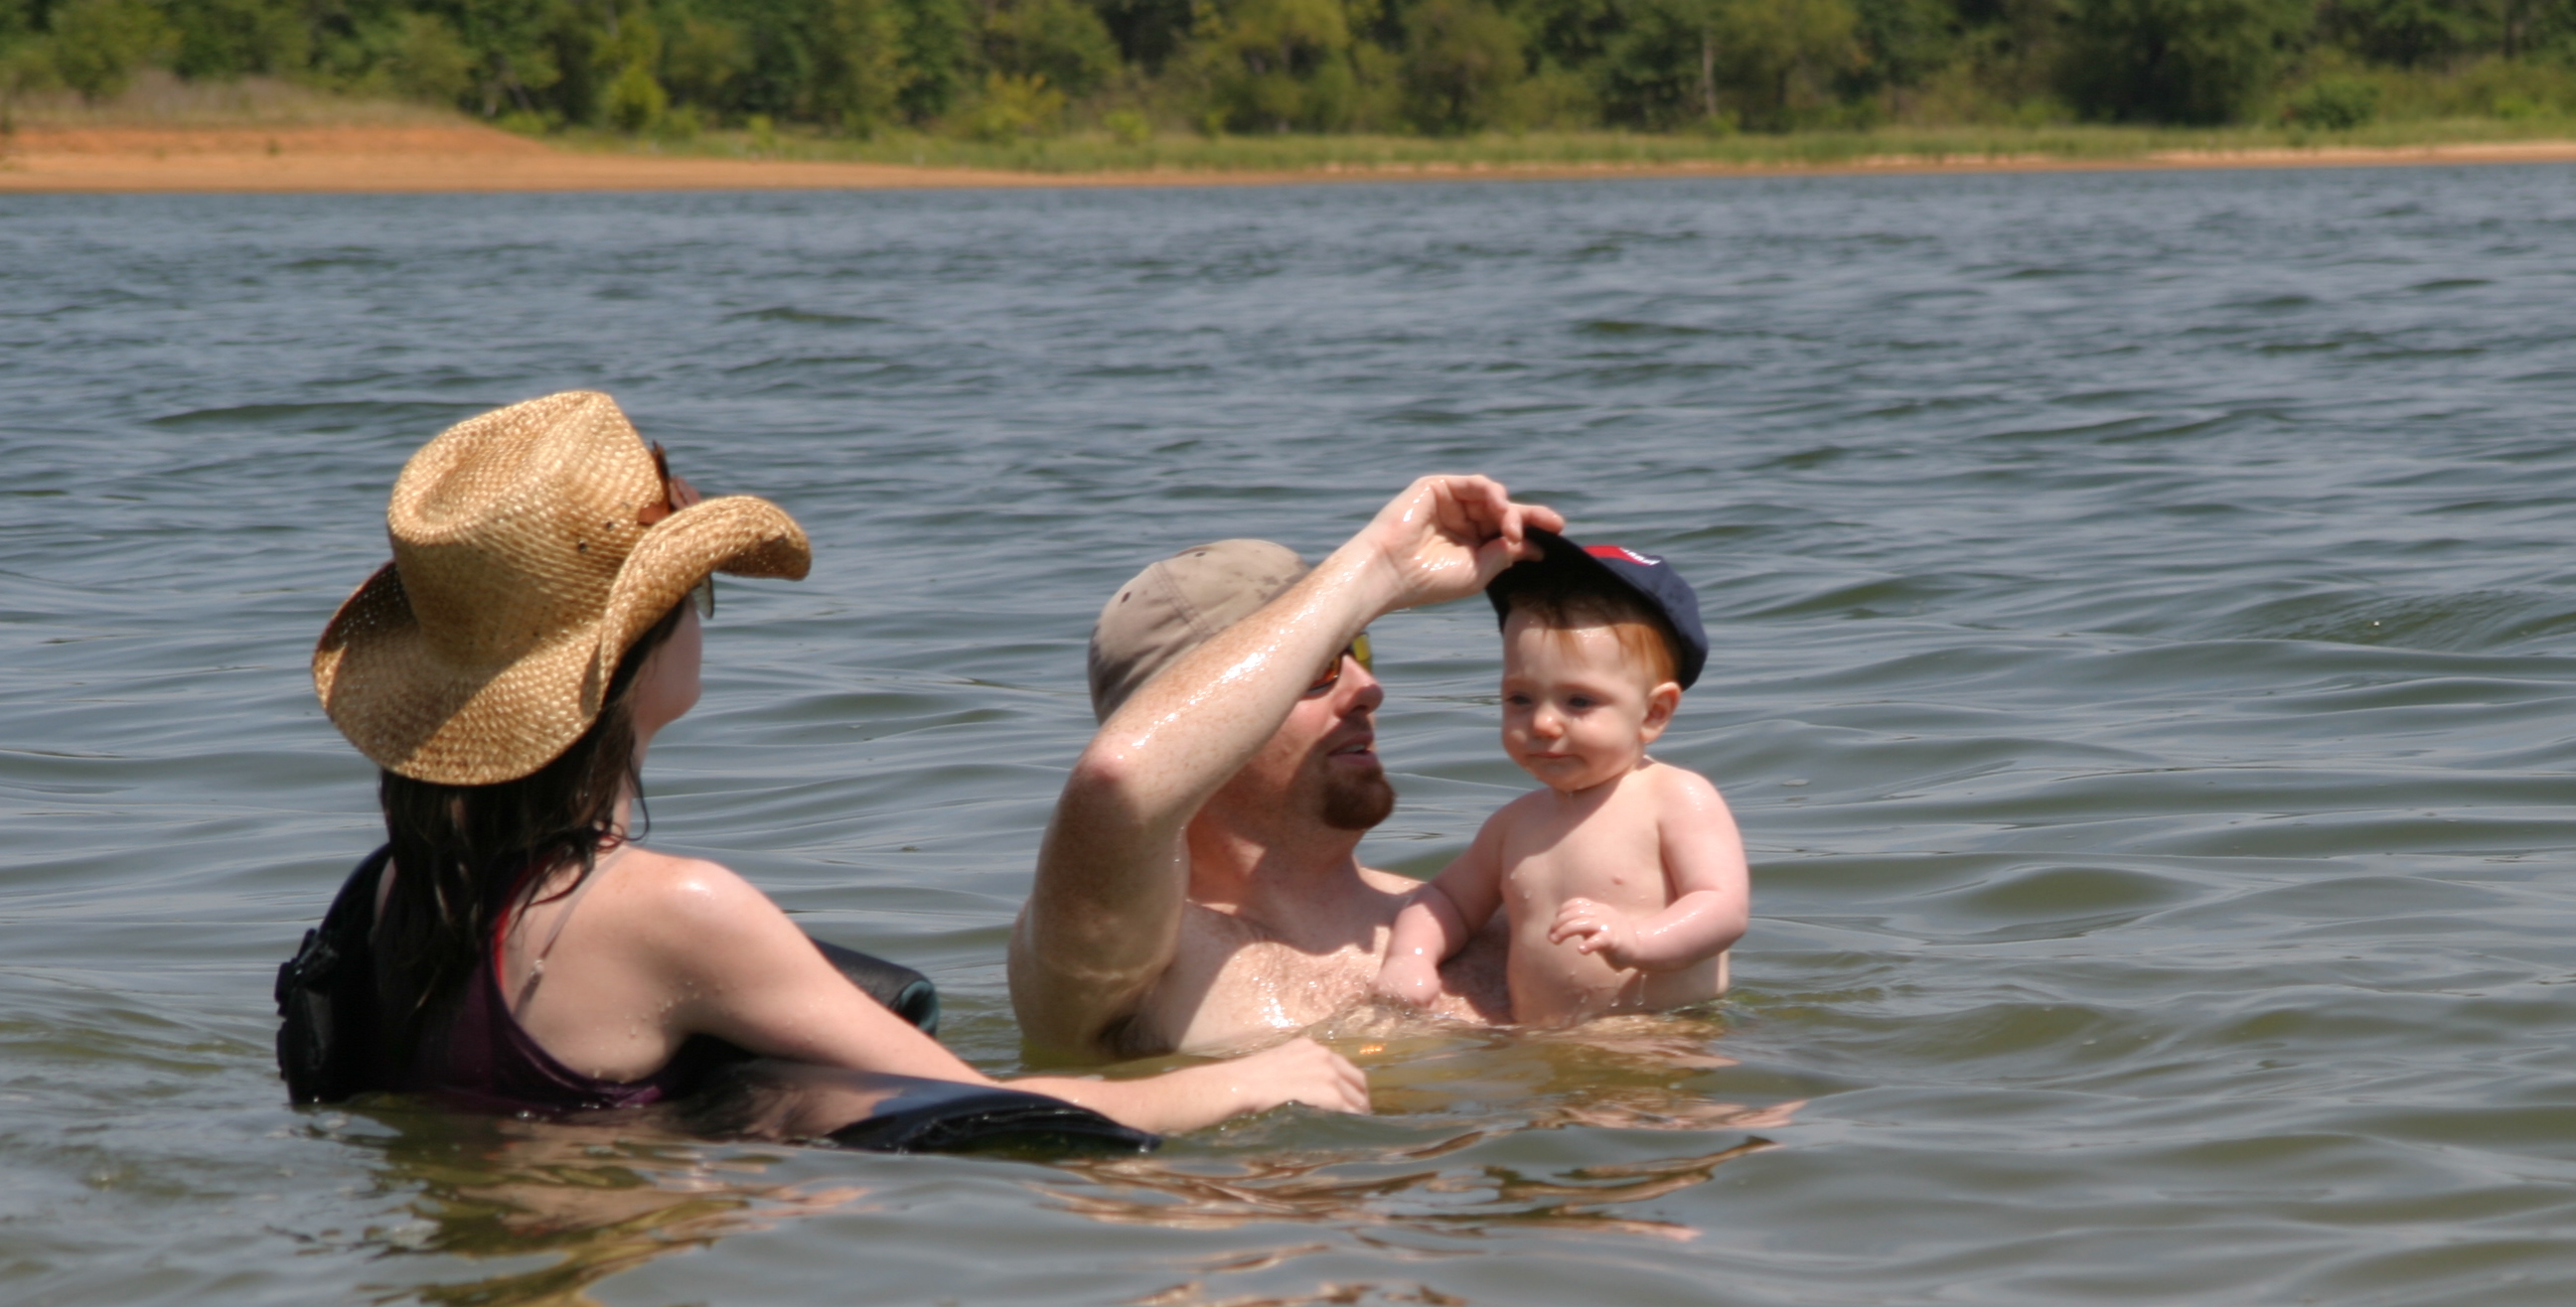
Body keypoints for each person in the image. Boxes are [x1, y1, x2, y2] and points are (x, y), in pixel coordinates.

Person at [308, 390, 1362, 1135]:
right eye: (697, 592)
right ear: (638, 650)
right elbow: (990, 1107)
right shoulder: (671, 910)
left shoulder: (397, 888)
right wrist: (1242, 1083)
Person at [1007, 476, 1563, 1059]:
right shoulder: (1128, 966)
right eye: (1315, 667)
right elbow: (1118, 782)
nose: (1368, 689)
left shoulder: (1479, 916)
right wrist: (1379, 565)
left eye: (1358, 650)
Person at [1376, 536, 1747, 1026]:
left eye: (1579, 702)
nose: (1543, 723)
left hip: (1663, 1032)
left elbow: (1722, 908)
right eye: (1520, 699)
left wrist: (1639, 939)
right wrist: (1411, 956)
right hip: (1543, 1046)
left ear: (1654, 713)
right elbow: (1446, 901)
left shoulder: (1674, 797)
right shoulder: (1514, 825)